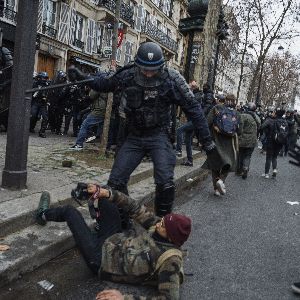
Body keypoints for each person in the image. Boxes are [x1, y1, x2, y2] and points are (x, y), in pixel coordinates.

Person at [68, 42, 216, 218]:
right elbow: (105, 84)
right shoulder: (128, 74)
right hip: (134, 136)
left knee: (165, 182)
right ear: (138, 65)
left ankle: (162, 225)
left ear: (161, 66)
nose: (148, 73)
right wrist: (83, 77)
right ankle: (125, 218)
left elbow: (194, 110)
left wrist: (207, 142)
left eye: (153, 70)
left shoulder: (173, 79)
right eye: (144, 69)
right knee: (115, 181)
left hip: (159, 135)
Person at [35, 184, 191, 300]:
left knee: (69, 211)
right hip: (112, 240)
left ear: (171, 237)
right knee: (103, 195)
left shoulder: (170, 261)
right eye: (161, 221)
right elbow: (134, 207)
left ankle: (42, 215)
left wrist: (123, 298)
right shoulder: (158, 226)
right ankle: (96, 215)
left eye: (163, 225)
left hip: (100, 260)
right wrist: (107, 193)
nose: (158, 224)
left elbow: (168, 299)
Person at [204, 94, 240, 196]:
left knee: (215, 164)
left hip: (216, 141)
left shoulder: (216, 108)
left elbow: (207, 122)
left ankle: (216, 189)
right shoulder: (236, 113)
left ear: (224, 100)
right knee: (228, 163)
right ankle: (221, 180)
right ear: (234, 101)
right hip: (229, 143)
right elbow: (239, 130)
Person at [260, 108, 287, 178]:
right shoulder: (285, 122)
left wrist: (267, 131)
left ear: (276, 113)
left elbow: (262, 127)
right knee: (274, 157)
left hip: (271, 141)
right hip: (280, 142)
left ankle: (266, 174)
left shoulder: (270, 120)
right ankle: (274, 170)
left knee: (268, 157)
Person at [237, 102, 261, 179]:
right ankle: (246, 168)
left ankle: (240, 170)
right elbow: (259, 127)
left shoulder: (243, 116)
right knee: (248, 156)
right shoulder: (257, 117)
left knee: (240, 155)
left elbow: (239, 129)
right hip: (253, 140)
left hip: (243, 139)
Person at [30, 71, 51, 138]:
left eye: (46, 78)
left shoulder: (47, 84)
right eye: (43, 78)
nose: (45, 79)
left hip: (43, 103)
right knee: (33, 116)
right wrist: (37, 91)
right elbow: (32, 94)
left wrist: (47, 99)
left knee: (45, 118)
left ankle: (42, 132)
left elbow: (49, 93)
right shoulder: (35, 83)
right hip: (36, 102)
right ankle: (31, 127)